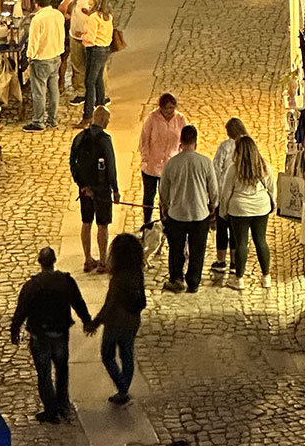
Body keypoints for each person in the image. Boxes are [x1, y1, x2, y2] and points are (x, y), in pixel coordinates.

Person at [9, 246, 92, 424]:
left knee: (44, 374)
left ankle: (50, 409)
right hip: (60, 333)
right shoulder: (66, 281)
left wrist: (15, 330)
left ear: (40, 262)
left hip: (40, 336)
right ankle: (62, 403)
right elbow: (78, 302)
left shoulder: (32, 286)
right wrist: (87, 320)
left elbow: (21, 310)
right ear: (54, 261)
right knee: (62, 370)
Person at [158, 124, 218, 294]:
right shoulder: (205, 162)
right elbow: (213, 189)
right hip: (199, 214)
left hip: (177, 214)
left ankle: (176, 278)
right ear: (195, 141)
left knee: (176, 249)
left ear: (181, 141)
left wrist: (165, 207)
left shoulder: (172, 164)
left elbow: (163, 191)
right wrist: (213, 205)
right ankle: (193, 281)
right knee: (197, 250)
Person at [87, 232, 146, 408]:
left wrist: (95, 322)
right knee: (127, 354)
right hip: (132, 321)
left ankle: (122, 389)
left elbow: (110, 304)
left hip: (116, 323)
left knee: (107, 355)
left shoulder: (118, 279)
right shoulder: (137, 273)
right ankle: (124, 388)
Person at [219, 134, 276, 289]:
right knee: (261, 241)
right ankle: (266, 277)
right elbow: (271, 187)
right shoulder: (264, 166)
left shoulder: (234, 169)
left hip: (239, 209)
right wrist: (273, 204)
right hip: (260, 207)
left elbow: (226, 192)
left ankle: (239, 279)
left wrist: (223, 211)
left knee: (241, 243)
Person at [69, 105, 119, 273]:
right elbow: (111, 167)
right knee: (102, 224)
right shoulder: (105, 140)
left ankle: (87, 259)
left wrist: (81, 185)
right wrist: (115, 189)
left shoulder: (80, 137)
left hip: (84, 189)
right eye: (108, 120)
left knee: (86, 222)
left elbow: (72, 163)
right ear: (103, 120)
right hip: (102, 189)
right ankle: (103, 261)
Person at [139, 93, 185, 227]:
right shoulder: (153, 118)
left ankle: (165, 221)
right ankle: (147, 222)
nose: (171, 111)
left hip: (170, 165)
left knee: (166, 197)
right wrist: (145, 157)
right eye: (168, 109)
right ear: (161, 108)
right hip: (152, 165)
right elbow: (144, 139)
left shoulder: (180, 119)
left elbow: (183, 140)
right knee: (149, 195)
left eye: (173, 108)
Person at [23, 0, 66, 132]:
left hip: (42, 59)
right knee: (53, 90)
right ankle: (52, 120)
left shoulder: (38, 19)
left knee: (39, 92)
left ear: (36, 4)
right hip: (56, 56)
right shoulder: (58, 15)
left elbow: (34, 40)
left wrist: (30, 56)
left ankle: (38, 121)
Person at [210, 118, 247, 274]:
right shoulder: (248, 145)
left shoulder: (225, 146)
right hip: (240, 194)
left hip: (223, 191)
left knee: (222, 228)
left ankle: (221, 259)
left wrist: (213, 193)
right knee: (235, 230)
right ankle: (234, 261)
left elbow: (216, 168)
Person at [78, 0, 114, 127]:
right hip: (105, 49)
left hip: (95, 50)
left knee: (90, 82)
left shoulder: (93, 18)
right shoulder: (108, 16)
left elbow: (91, 38)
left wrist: (81, 35)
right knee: (99, 81)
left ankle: (87, 115)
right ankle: (101, 107)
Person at [60, 0, 96, 104]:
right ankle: (81, 92)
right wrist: (66, 0)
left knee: (95, 67)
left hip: (90, 38)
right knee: (77, 65)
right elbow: (61, 12)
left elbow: (101, 14)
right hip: (75, 36)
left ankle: (102, 94)